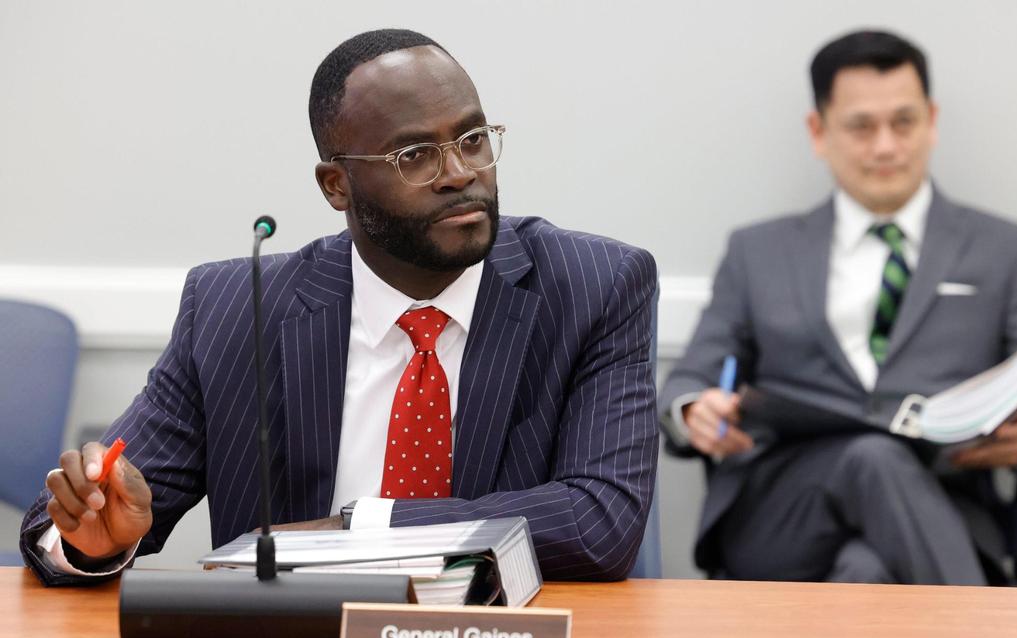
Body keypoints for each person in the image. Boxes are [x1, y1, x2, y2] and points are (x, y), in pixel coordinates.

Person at [21, 29, 658, 586]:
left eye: (472, 140)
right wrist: (90, 541)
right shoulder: (235, 309)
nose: (460, 173)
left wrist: (357, 531)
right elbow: (92, 514)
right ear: (336, 185)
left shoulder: (594, 287)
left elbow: (600, 519)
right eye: (414, 156)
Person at [660, 29, 1017, 586]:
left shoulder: (1005, 250)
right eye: (861, 127)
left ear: (932, 121)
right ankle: (979, 633)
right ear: (819, 132)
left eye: (903, 122)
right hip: (782, 513)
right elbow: (689, 378)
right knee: (871, 457)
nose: (886, 147)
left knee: (865, 570)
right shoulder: (757, 251)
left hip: (943, 505)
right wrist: (696, 410)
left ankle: (957, 632)